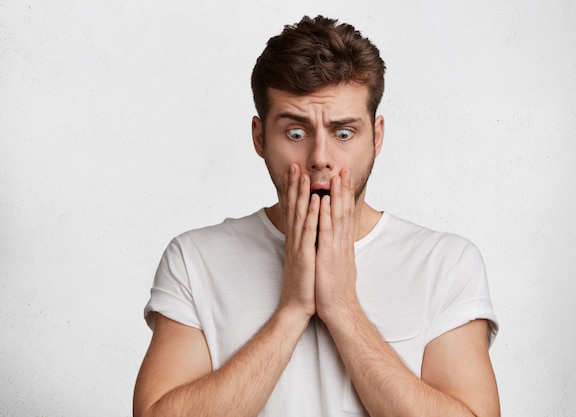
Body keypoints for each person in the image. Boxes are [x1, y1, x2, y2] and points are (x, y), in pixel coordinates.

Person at [133, 15, 500, 417]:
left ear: (377, 137)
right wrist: (292, 310)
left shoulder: (446, 263)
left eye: (344, 133)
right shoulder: (193, 260)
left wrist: (343, 308)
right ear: (259, 137)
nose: (320, 158)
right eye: (295, 132)